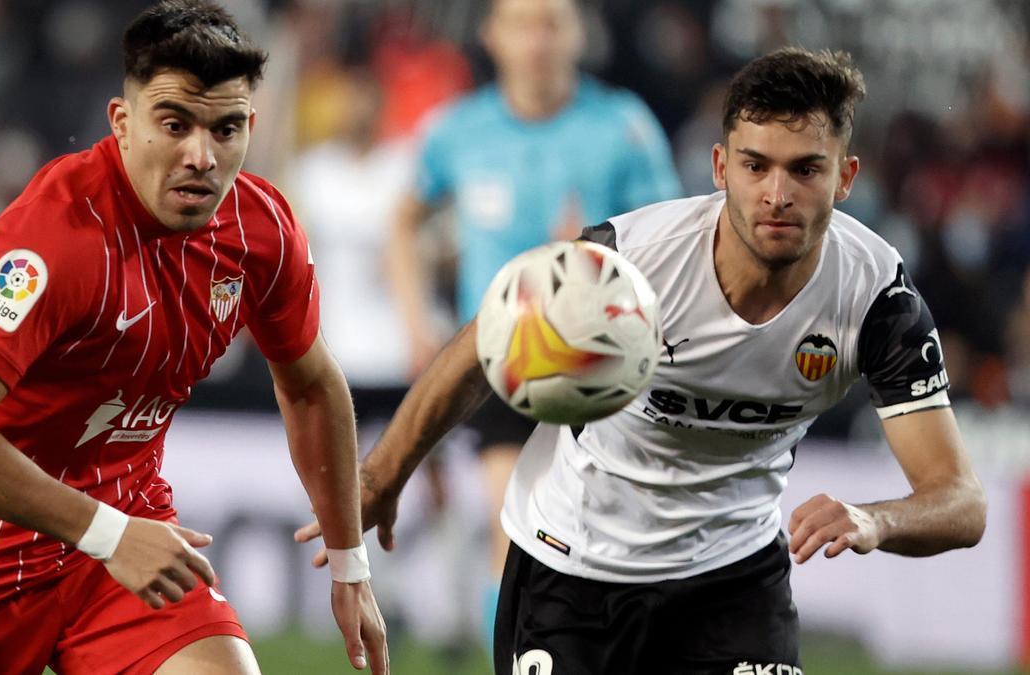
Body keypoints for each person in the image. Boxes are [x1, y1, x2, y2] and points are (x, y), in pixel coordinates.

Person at [300, 47, 987, 674]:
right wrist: (384, 473)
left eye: (806, 168)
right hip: (573, 569)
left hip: (733, 576)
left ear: (845, 177)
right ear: (721, 168)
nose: (777, 195)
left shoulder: (876, 298)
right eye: (756, 165)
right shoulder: (629, 260)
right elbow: (487, 344)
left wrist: (876, 518)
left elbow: (959, 499)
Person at [0, 3, 388, 674]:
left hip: (118, 535)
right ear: (123, 123)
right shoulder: (56, 238)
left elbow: (312, 384)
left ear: (250, 128)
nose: (201, 155)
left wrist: (349, 565)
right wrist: (107, 533)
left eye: (225, 129)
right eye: (175, 124)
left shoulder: (261, 229)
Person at [384, 0, 681, 636]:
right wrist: (415, 321)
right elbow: (404, 219)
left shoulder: (623, 126)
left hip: (610, 366)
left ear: (579, 33)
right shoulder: (459, 129)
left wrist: (597, 254)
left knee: (598, 549)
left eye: (553, 23)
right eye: (523, 23)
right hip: (503, 359)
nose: (538, 40)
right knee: (510, 530)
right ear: (493, 36)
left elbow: (674, 242)